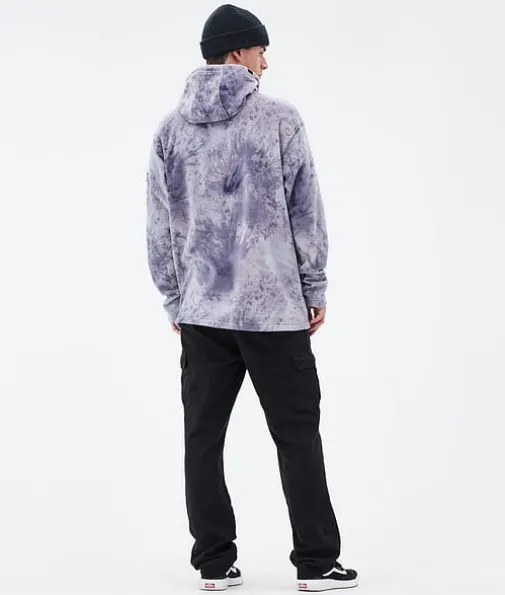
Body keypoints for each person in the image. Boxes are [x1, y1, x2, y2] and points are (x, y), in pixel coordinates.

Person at [146, 4, 358, 592]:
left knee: (202, 439)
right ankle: (316, 563)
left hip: (203, 313)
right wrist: (314, 286)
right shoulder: (279, 119)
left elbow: (160, 226)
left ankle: (214, 565)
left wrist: (175, 299)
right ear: (238, 53)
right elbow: (305, 212)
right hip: (273, 313)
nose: (266, 62)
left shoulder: (170, 129)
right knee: (297, 437)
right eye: (262, 51)